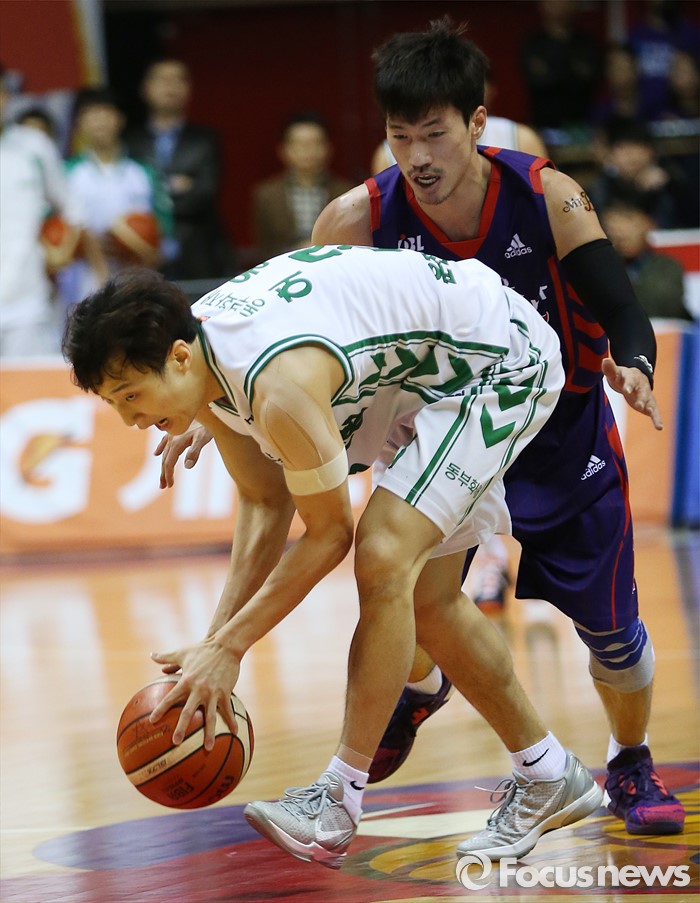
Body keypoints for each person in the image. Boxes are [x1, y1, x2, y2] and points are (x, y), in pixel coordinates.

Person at [63, 246, 606, 869]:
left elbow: (327, 536)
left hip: (495, 361)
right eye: (113, 404)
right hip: (414, 381)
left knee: (383, 554)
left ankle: (337, 799)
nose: (130, 420)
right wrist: (213, 647)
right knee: (428, 605)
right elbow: (265, 505)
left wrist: (231, 648)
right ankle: (547, 772)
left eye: (131, 395)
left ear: (179, 358)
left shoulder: (276, 388)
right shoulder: (205, 358)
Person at [307, 17, 684, 841]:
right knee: (400, 581)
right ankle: (420, 687)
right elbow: (290, 331)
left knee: (614, 635)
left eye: (435, 133)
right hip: (444, 430)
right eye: (400, 136)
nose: (418, 156)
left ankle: (630, 758)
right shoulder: (355, 218)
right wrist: (215, 402)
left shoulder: (549, 195)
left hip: (559, 426)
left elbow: (622, 307)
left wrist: (635, 363)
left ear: (478, 123)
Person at [0, 64, 102, 357]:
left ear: (7, 96)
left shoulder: (34, 146)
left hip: (26, 303)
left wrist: (66, 253)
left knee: (28, 386)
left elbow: (74, 209)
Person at [59, 87, 172, 306]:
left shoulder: (144, 173)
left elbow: (166, 233)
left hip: (136, 282)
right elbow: (55, 231)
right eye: (92, 114)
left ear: (120, 119)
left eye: (106, 113)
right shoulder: (65, 173)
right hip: (81, 284)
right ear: (79, 123)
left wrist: (140, 245)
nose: (100, 121)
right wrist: (85, 245)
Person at [125, 58, 235, 280]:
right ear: (145, 88)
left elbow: (203, 193)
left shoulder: (205, 139)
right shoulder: (129, 141)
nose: (171, 86)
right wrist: (173, 186)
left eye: (178, 80)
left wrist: (154, 193)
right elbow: (126, 196)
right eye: (162, 80)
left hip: (198, 252)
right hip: (144, 252)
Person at [252, 112, 352, 260]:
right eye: (300, 144)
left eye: (315, 143)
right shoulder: (267, 195)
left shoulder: (347, 192)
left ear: (328, 148)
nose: (308, 151)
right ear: (284, 150)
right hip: (284, 267)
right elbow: (265, 248)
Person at [601, 189, 692, 321]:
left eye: (628, 218)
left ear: (649, 223)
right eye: (614, 220)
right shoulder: (602, 269)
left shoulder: (667, 267)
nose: (621, 229)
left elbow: (666, 307)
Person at [519, 0, 602, 130]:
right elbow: (539, 81)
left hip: (582, 124)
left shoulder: (586, 43)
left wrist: (552, 69)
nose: (560, 4)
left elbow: (589, 80)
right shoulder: (533, 44)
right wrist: (572, 69)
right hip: (543, 124)